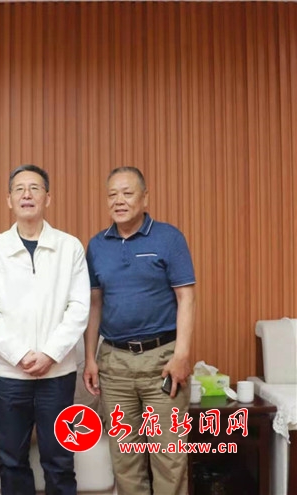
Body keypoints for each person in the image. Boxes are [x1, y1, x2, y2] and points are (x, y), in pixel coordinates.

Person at [0, 164, 90, 495]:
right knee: (12, 461)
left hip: (58, 373)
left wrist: (50, 354)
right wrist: (21, 354)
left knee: (60, 460)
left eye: (35, 188)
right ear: (9, 199)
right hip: (10, 374)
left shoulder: (69, 247)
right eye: (19, 189)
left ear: (47, 198)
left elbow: (79, 307)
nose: (27, 195)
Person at [83, 166, 196, 495]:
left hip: (162, 362)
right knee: (125, 460)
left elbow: (186, 298)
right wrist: (90, 358)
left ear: (145, 198)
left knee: (169, 458)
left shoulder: (169, 238)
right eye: (112, 195)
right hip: (114, 364)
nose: (118, 201)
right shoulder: (97, 245)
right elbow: (94, 304)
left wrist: (181, 356)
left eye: (127, 193)